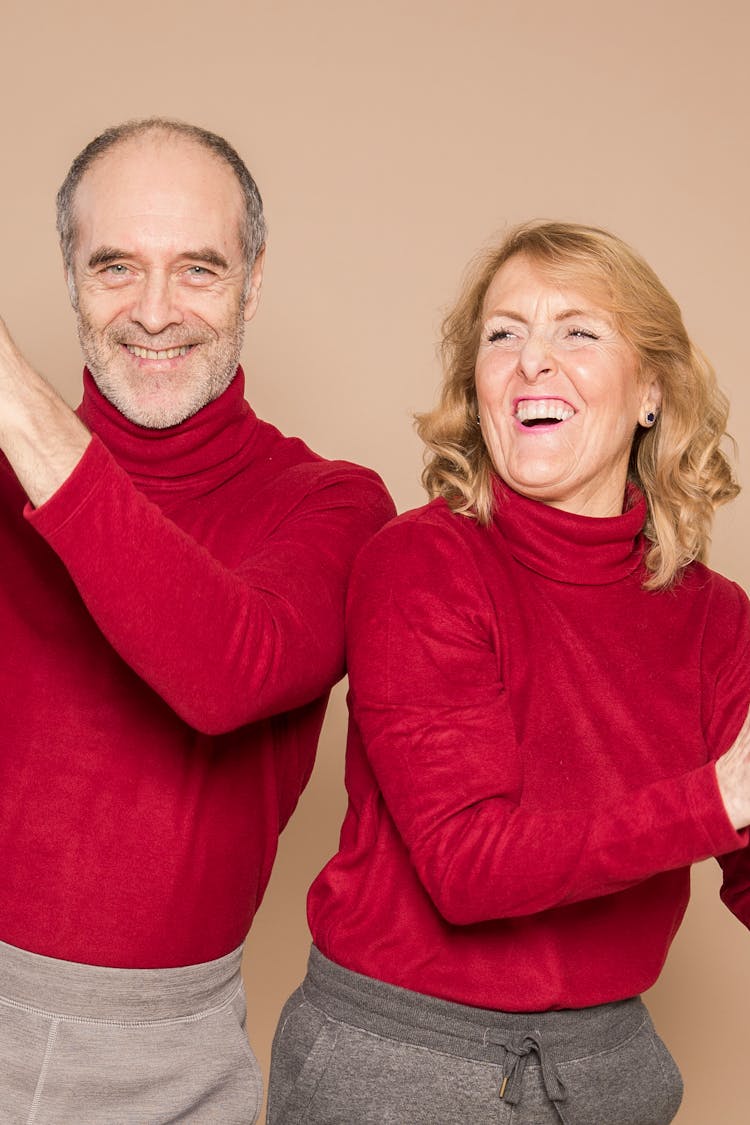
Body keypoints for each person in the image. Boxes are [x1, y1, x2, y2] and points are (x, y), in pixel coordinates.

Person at [268, 221, 750, 1125]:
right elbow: (467, 866)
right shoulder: (420, 564)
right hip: (400, 1068)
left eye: (577, 329)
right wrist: (715, 799)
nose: (534, 361)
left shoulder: (718, 618)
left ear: (651, 388)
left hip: (611, 1071)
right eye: (504, 334)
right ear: (477, 388)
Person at [0, 117, 394, 1123]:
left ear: (254, 283)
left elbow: (225, 674)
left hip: (170, 1060)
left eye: (200, 271)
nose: (156, 313)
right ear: (70, 275)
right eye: (118, 267)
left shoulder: (335, 506)